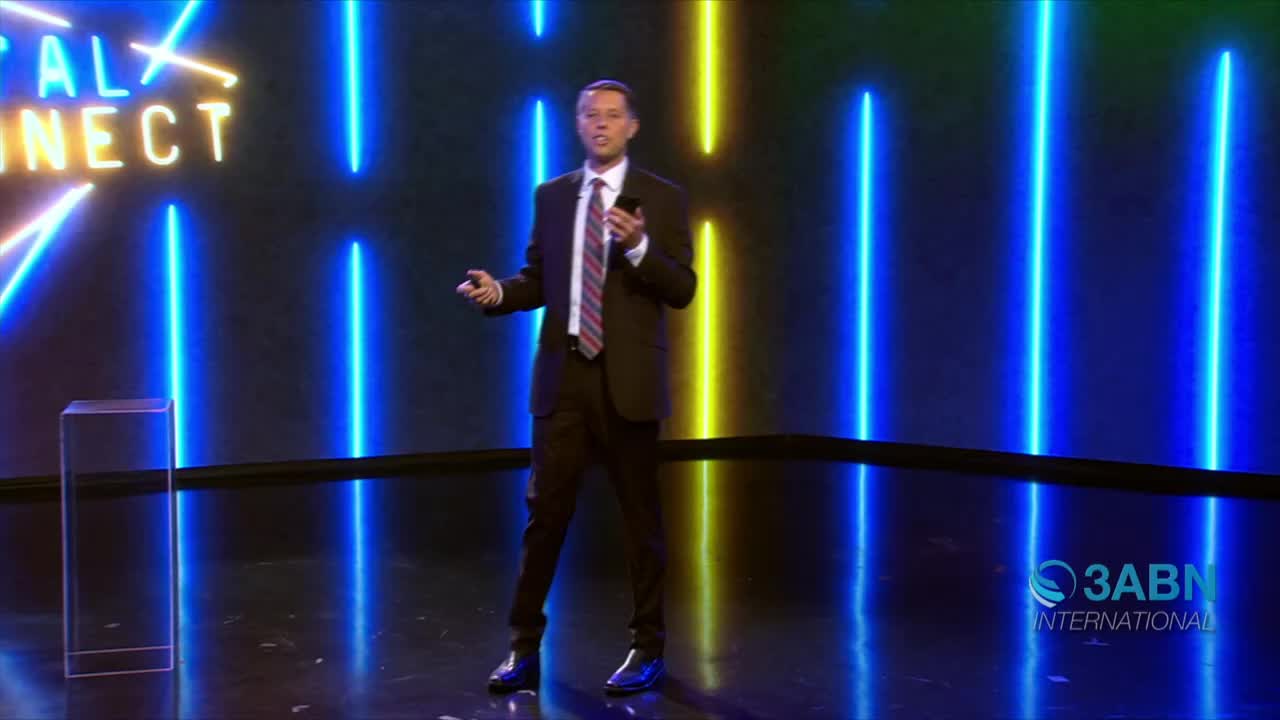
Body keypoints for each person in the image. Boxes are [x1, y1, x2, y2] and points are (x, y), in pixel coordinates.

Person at [456, 79, 696, 695]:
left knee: (640, 523)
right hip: (563, 380)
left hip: (628, 383)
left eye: (613, 116)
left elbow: (683, 288)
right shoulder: (554, 196)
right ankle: (523, 647)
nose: (601, 124)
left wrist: (639, 246)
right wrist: (500, 293)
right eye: (591, 115)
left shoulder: (661, 200)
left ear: (632, 126)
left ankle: (648, 649)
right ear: (578, 123)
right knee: (544, 518)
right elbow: (540, 280)